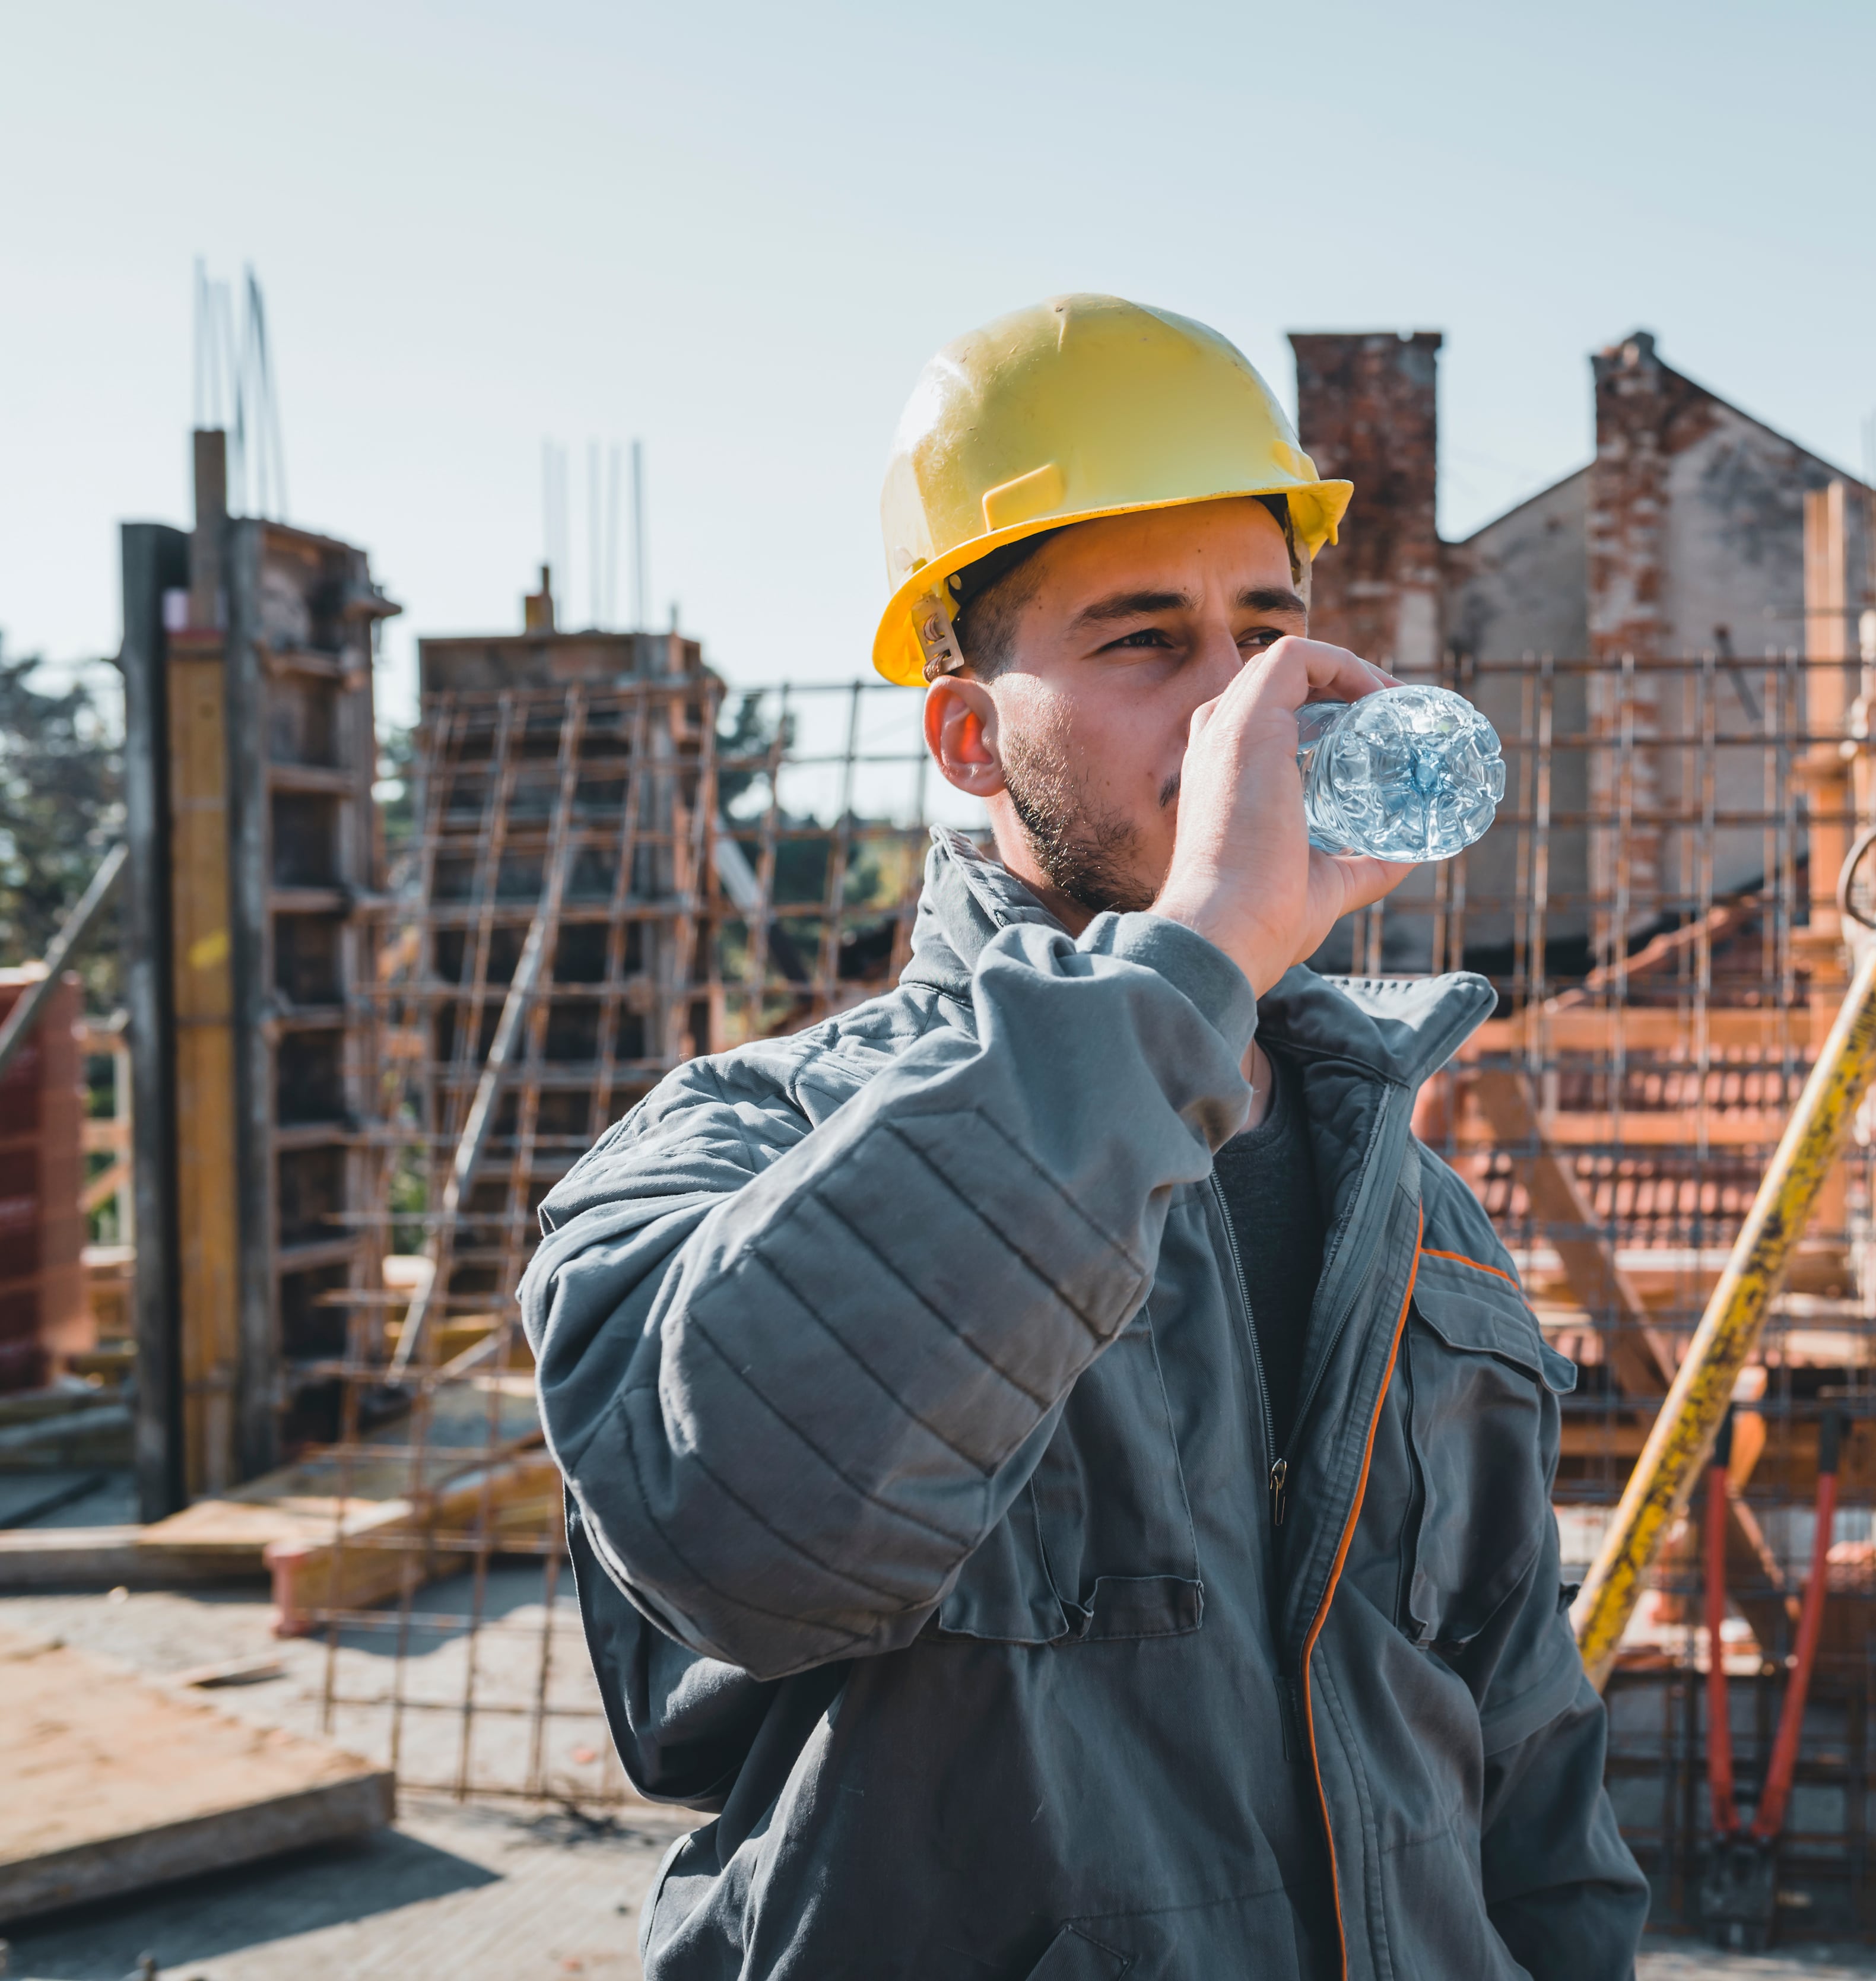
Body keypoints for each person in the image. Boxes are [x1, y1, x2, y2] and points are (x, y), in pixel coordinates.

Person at [521, 293, 1648, 1980]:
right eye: (1144, 642)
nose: (1238, 708)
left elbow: (1534, 1773)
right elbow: (740, 1536)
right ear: (973, 736)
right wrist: (1191, 959)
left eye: (1266, 632)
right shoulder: (747, 1148)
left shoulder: (1405, 1213)